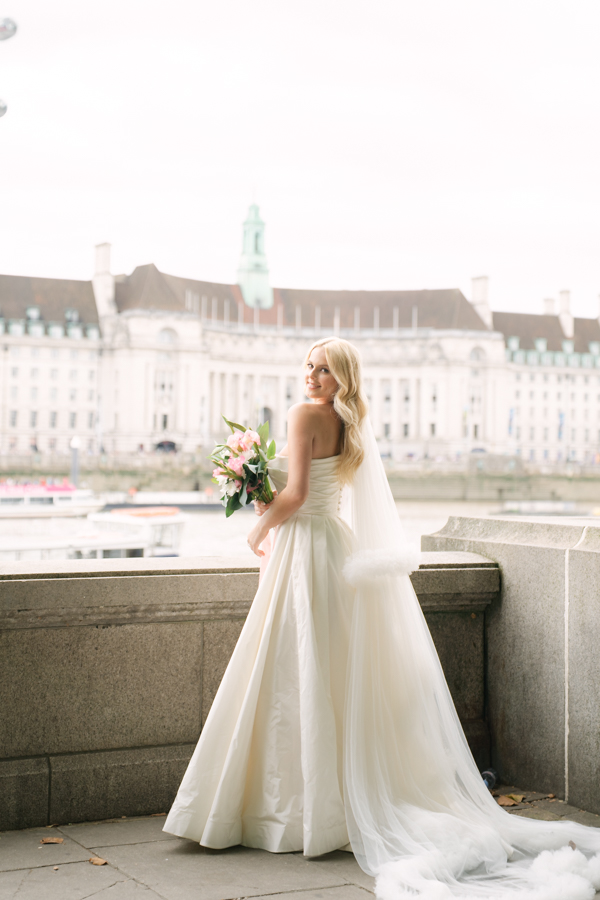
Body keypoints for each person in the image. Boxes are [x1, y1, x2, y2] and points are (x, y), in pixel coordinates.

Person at [165, 337, 600, 898]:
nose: (312, 376)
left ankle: (290, 808)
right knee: (335, 668)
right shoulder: (351, 422)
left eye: (324, 370)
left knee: (292, 664)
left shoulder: (303, 415)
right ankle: (332, 800)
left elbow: (296, 494)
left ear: (342, 376)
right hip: (337, 546)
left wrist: (257, 524)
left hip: (303, 546)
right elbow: (321, 490)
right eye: (309, 367)